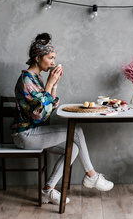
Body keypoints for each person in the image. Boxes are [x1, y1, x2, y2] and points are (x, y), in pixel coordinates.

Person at [11, 32, 114, 206]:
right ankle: (92, 176)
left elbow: (50, 108)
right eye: (50, 58)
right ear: (38, 58)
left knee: (72, 147)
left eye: (54, 58)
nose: (53, 62)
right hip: (25, 135)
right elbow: (38, 115)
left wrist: (54, 84)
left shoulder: (36, 78)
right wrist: (49, 85)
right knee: (77, 131)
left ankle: (47, 190)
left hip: (36, 132)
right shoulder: (26, 80)